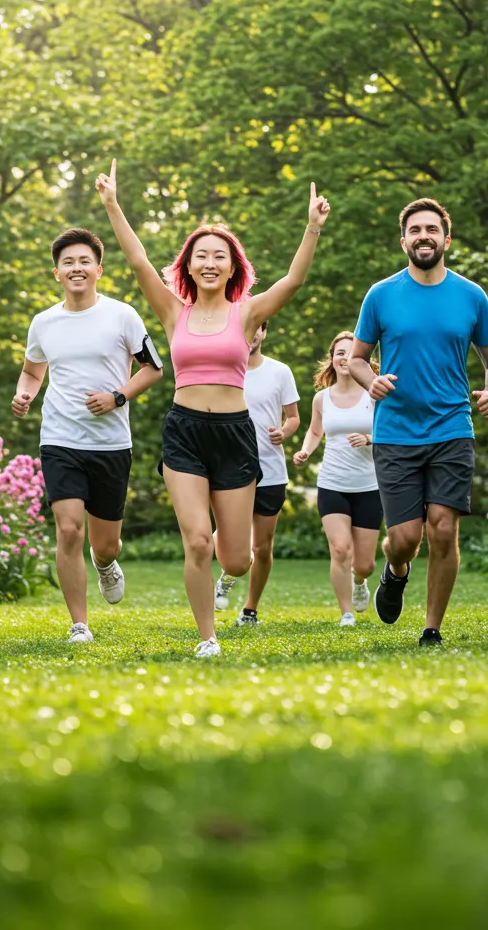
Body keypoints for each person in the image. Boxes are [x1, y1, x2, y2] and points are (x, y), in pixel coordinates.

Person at [96, 159, 329, 658]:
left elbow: (292, 281)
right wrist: (113, 205)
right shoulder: (171, 311)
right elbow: (138, 261)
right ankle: (208, 638)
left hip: (234, 434)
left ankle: (230, 558)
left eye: (218, 256)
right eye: (200, 255)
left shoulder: (247, 313)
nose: (209, 262)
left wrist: (312, 226)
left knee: (238, 559)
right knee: (198, 542)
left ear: (232, 266)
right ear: (188, 264)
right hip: (184, 433)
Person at [349, 198, 488, 646]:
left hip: (452, 427)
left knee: (442, 526)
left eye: (431, 229)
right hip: (396, 431)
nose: (424, 236)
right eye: (415, 230)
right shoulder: (381, 295)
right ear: (404, 241)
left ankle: (431, 628)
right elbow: (358, 359)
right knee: (404, 537)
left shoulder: (471, 296)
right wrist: (371, 382)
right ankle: (396, 571)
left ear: (446, 239)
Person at [12, 227, 164, 644]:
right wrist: (25, 394)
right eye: (68, 262)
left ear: (98, 269)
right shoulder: (44, 322)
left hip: (111, 443)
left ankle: (105, 564)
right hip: (60, 438)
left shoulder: (122, 315)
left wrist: (117, 396)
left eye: (83, 262)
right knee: (68, 530)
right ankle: (79, 624)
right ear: (56, 272)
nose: (76, 268)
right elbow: (32, 370)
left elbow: (154, 368)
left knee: (106, 544)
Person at [214, 319, 300, 625]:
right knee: (229, 536)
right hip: (230, 470)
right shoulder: (222, 370)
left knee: (262, 546)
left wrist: (284, 432)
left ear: (264, 332)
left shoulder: (280, 371)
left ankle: (250, 608)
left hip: (271, 469)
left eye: (257, 329)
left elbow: (293, 417)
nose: (251, 335)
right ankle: (228, 573)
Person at [294, 330, 382, 627]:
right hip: (332, 483)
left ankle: (360, 581)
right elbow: (315, 430)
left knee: (365, 564)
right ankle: (346, 612)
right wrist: (306, 450)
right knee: (340, 549)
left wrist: (370, 438)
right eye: (339, 352)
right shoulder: (322, 398)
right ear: (332, 360)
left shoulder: (375, 395)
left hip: (370, 485)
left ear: (364, 358)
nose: (345, 357)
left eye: (351, 352)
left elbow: (394, 432)